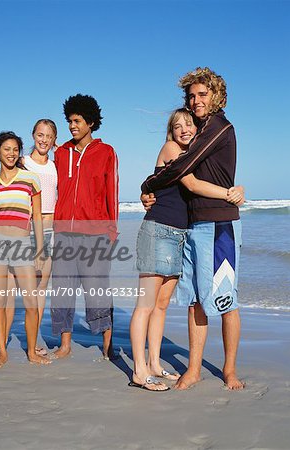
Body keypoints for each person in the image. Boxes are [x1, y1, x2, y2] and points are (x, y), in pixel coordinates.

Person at [141, 67, 245, 390]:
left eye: (202, 94)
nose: (195, 100)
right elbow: (179, 175)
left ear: (216, 96)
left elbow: (183, 169)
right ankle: (195, 368)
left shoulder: (218, 126)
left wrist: (146, 183)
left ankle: (229, 370)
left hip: (220, 225)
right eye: (191, 95)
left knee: (226, 299)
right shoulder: (194, 133)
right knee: (195, 300)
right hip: (193, 224)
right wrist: (150, 194)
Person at [0, 119, 58, 358]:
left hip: (37, 235)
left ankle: (31, 349)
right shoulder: (6, 174)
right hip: (5, 241)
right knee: (4, 297)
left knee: (35, 296)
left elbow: (36, 211)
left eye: (49, 136)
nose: (11, 153)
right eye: (40, 134)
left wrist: (40, 249)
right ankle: (2, 347)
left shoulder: (47, 169)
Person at [50, 94, 119, 360]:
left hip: (96, 233)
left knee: (98, 290)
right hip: (64, 233)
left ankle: (107, 344)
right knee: (63, 290)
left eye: (77, 120)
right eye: (69, 121)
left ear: (90, 122)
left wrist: (112, 231)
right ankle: (65, 345)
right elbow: (37, 170)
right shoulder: (61, 152)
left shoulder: (106, 152)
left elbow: (112, 193)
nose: (72, 125)